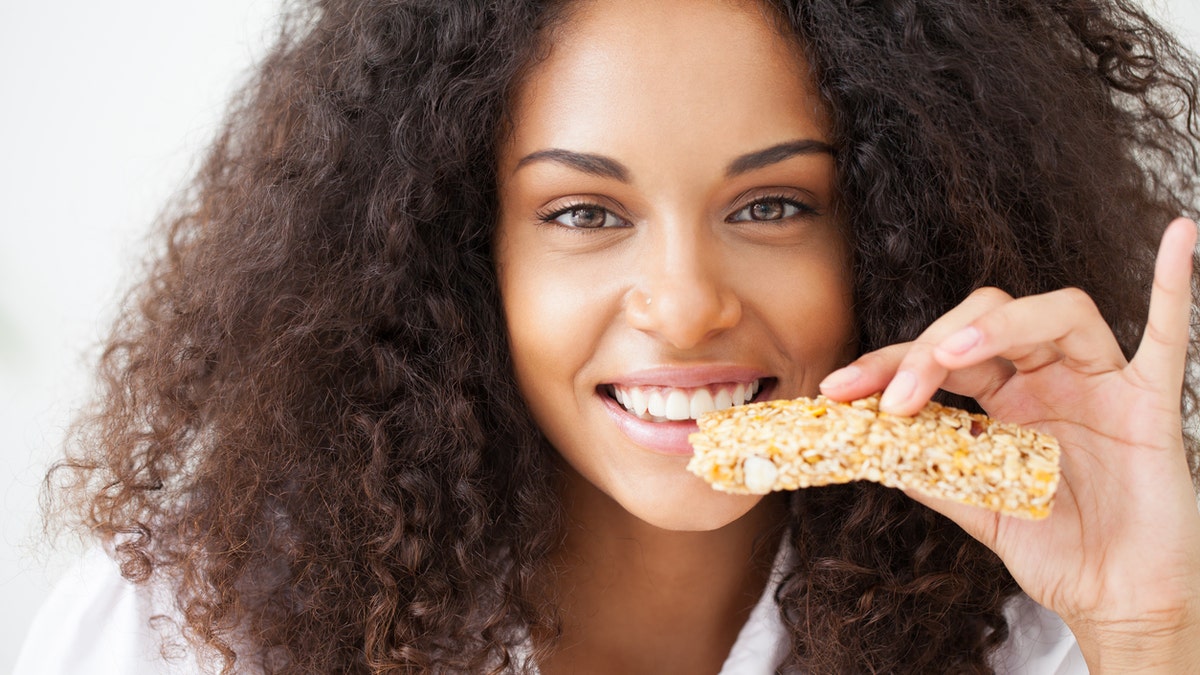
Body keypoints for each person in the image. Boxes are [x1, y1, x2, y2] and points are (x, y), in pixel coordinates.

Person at [18, 0, 1200, 672]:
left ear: (897, 234)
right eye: (584, 213)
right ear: (457, 250)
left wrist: (1149, 625)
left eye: (773, 206)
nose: (685, 303)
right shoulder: (184, 634)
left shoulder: (1050, 632)